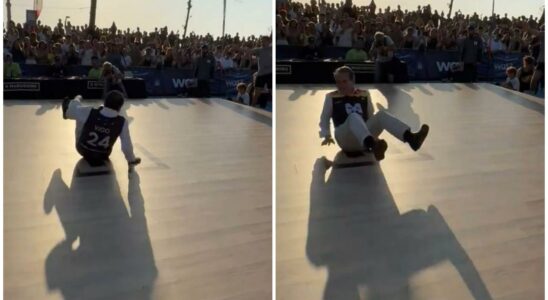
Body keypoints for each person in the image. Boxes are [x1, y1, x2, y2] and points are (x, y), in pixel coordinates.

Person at [319, 66, 429, 161]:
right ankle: (373, 146)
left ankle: (411, 139)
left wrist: (374, 135)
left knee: (381, 115)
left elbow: (371, 117)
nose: (340, 85)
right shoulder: (331, 97)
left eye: (344, 81)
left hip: (362, 140)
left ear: (352, 81)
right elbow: (324, 119)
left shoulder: (364, 94)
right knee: (354, 116)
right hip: (344, 137)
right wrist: (326, 135)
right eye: (338, 82)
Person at [62, 91, 141, 166]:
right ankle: (71, 109)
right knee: (82, 115)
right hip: (103, 154)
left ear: (105, 102)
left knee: (80, 116)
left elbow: (73, 110)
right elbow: (126, 146)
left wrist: (77, 99)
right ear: (120, 107)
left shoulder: (90, 112)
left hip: (83, 149)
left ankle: (69, 111)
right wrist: (131, 160)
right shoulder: (122, 122)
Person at [251, 36, 272, 106]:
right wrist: (238, 48)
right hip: (261, 74)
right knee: (256, 93)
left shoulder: (273, 49)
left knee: (272, 92)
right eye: (262, 41)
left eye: (265, 40)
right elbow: (249, 51)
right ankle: (252, 107)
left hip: (270, 74)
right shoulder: (259, 50)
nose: (263, 42)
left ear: (269, 41)